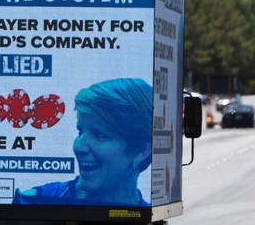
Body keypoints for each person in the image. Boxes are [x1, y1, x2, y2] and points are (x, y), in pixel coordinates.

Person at [14, 78, 152, 206]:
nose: (79, 147)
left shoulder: (149, 217)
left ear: (141, 150)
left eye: (99, 135)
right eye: (80, 132)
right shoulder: (34, 202)